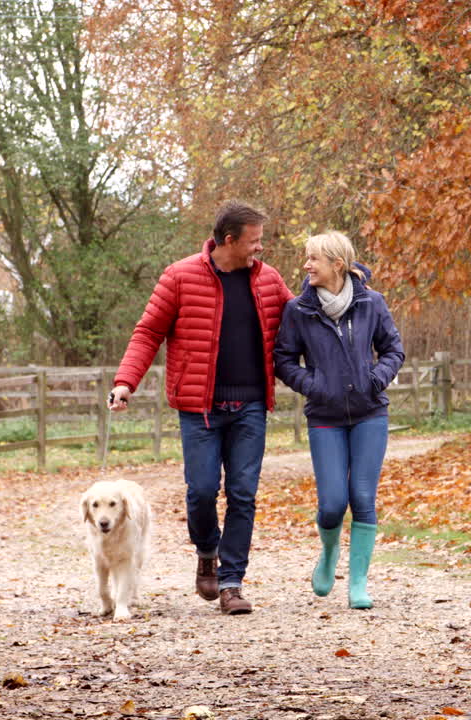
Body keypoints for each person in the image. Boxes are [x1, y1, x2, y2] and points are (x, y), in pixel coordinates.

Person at [109, 201, 293, 615]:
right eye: (254, 241)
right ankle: (207, 551)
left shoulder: (268, 281)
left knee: (243, 494)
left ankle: (231, 583)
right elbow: (148, 332)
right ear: (229, 240)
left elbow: (303, 321)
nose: (259, 249)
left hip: (250, 405)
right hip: (199, 407)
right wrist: (125, 382)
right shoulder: (180, 276)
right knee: (203, 490)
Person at [273, 231, 405, 609]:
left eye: (313, 259)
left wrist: (375, 379)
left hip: (369, 414)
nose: (306, 265)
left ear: (338, 264)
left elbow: (393, 349)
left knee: (363, 497)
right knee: (332, 503)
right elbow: (284, 359)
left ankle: (359, 583)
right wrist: (313, 385)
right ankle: (329, 554)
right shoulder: (299, 310)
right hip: (325, 417)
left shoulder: (371, 303)